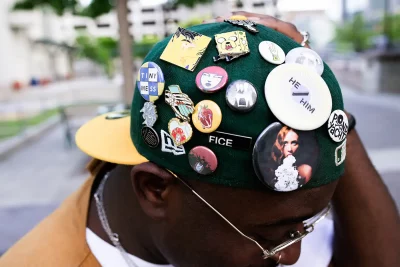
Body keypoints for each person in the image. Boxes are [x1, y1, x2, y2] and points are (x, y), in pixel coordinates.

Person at [1, 11, 399, 267]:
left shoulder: (250, 212)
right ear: (156, 190)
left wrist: (330, 115)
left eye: (307, 225)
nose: (291, 256)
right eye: (268, 238)